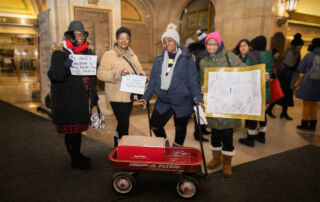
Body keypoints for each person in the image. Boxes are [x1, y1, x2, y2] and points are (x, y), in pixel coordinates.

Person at [139, 23, 203, 147]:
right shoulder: (159, 59)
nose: (166, 44)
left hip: (183, 101)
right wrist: (146, 96)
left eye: (170, 40)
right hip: (164, 100)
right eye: (164, 41)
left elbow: (193, 81)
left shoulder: (187, 59)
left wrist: (198, 99)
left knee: (180, 129)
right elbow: (153, 81)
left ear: (176, 42)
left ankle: (176, 150)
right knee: (155, 125)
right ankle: (165, 144)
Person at [48, 20, 98, 170]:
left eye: (82, 34)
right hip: (68, 101)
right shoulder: (60, 54)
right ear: (70, 36)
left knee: (78, 131)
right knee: (72, 132)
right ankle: (74, 158)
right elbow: (55, 76)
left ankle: (78, 154)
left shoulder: (87, 53)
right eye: (76, 34)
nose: (80, 37)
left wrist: (94, 96)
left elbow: (91, 78)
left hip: (83, 100)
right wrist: (64, 67)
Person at [199, 32, 246, 178]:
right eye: (208, 43)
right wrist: (202, 87)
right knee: (215, 133)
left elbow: (244, 70)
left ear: (219, 44)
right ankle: (216, 158)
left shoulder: (229, 56)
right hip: (213, 103)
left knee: (226, 133)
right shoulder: (203, 62)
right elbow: (202, 80)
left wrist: (260, 75)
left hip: (228, 103)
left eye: (214, 43)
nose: (211, 46)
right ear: (205, 45)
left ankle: (227, 163)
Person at [97, 27, 145, 147]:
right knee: (124, 123)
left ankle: (117, 143)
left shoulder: (133, 55)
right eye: (121, 38)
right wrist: (118, 73)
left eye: (126, 38)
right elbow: (100, 73)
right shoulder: (109, 54)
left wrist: (142, 75)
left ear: (129, 40)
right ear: (117, 39)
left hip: (129, 95)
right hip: (116, 96)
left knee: (122, 123)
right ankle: (122, 149)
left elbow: (140, 70)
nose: (124, 40)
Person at [238, 36, 273, 148]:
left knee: (253, 113)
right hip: (266, 89)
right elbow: (271, 71)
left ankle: (250, 138)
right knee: (262, 113)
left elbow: (247, 71)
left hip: (255, 89)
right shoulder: (269, 55)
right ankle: (262, 135)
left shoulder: (252, 55)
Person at [188, 29, 210, 142]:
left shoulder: (196, 52)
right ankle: (198, 133)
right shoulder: (203, 54)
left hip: (198, 85)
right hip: (200, 86)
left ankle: (202, 129)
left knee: (201, 110)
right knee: (200, 110)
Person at [277, 33, 304, 120]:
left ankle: (283, 112)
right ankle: (281, 112)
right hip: (288, 76)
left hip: (285, 75)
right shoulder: (294, 52)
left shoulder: (289, 50)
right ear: (298, 45)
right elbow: (293, 64)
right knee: (286, 94)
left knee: (283, 94)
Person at [296, 38, 320, 131]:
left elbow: (300, 68)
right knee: (314, 104)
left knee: (306, 104)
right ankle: (313, 125)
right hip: (318, 84)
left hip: (308, 82)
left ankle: (305, 124)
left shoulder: (309, 56)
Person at [265, 49, 281, 118]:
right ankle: (267, 111)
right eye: (277, 54)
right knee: (272, 97)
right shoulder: (270, 60)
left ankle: (268, 110)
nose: (278, 55)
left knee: (274, 97)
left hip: (274, 81)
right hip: (270, 81)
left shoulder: (276, 60)